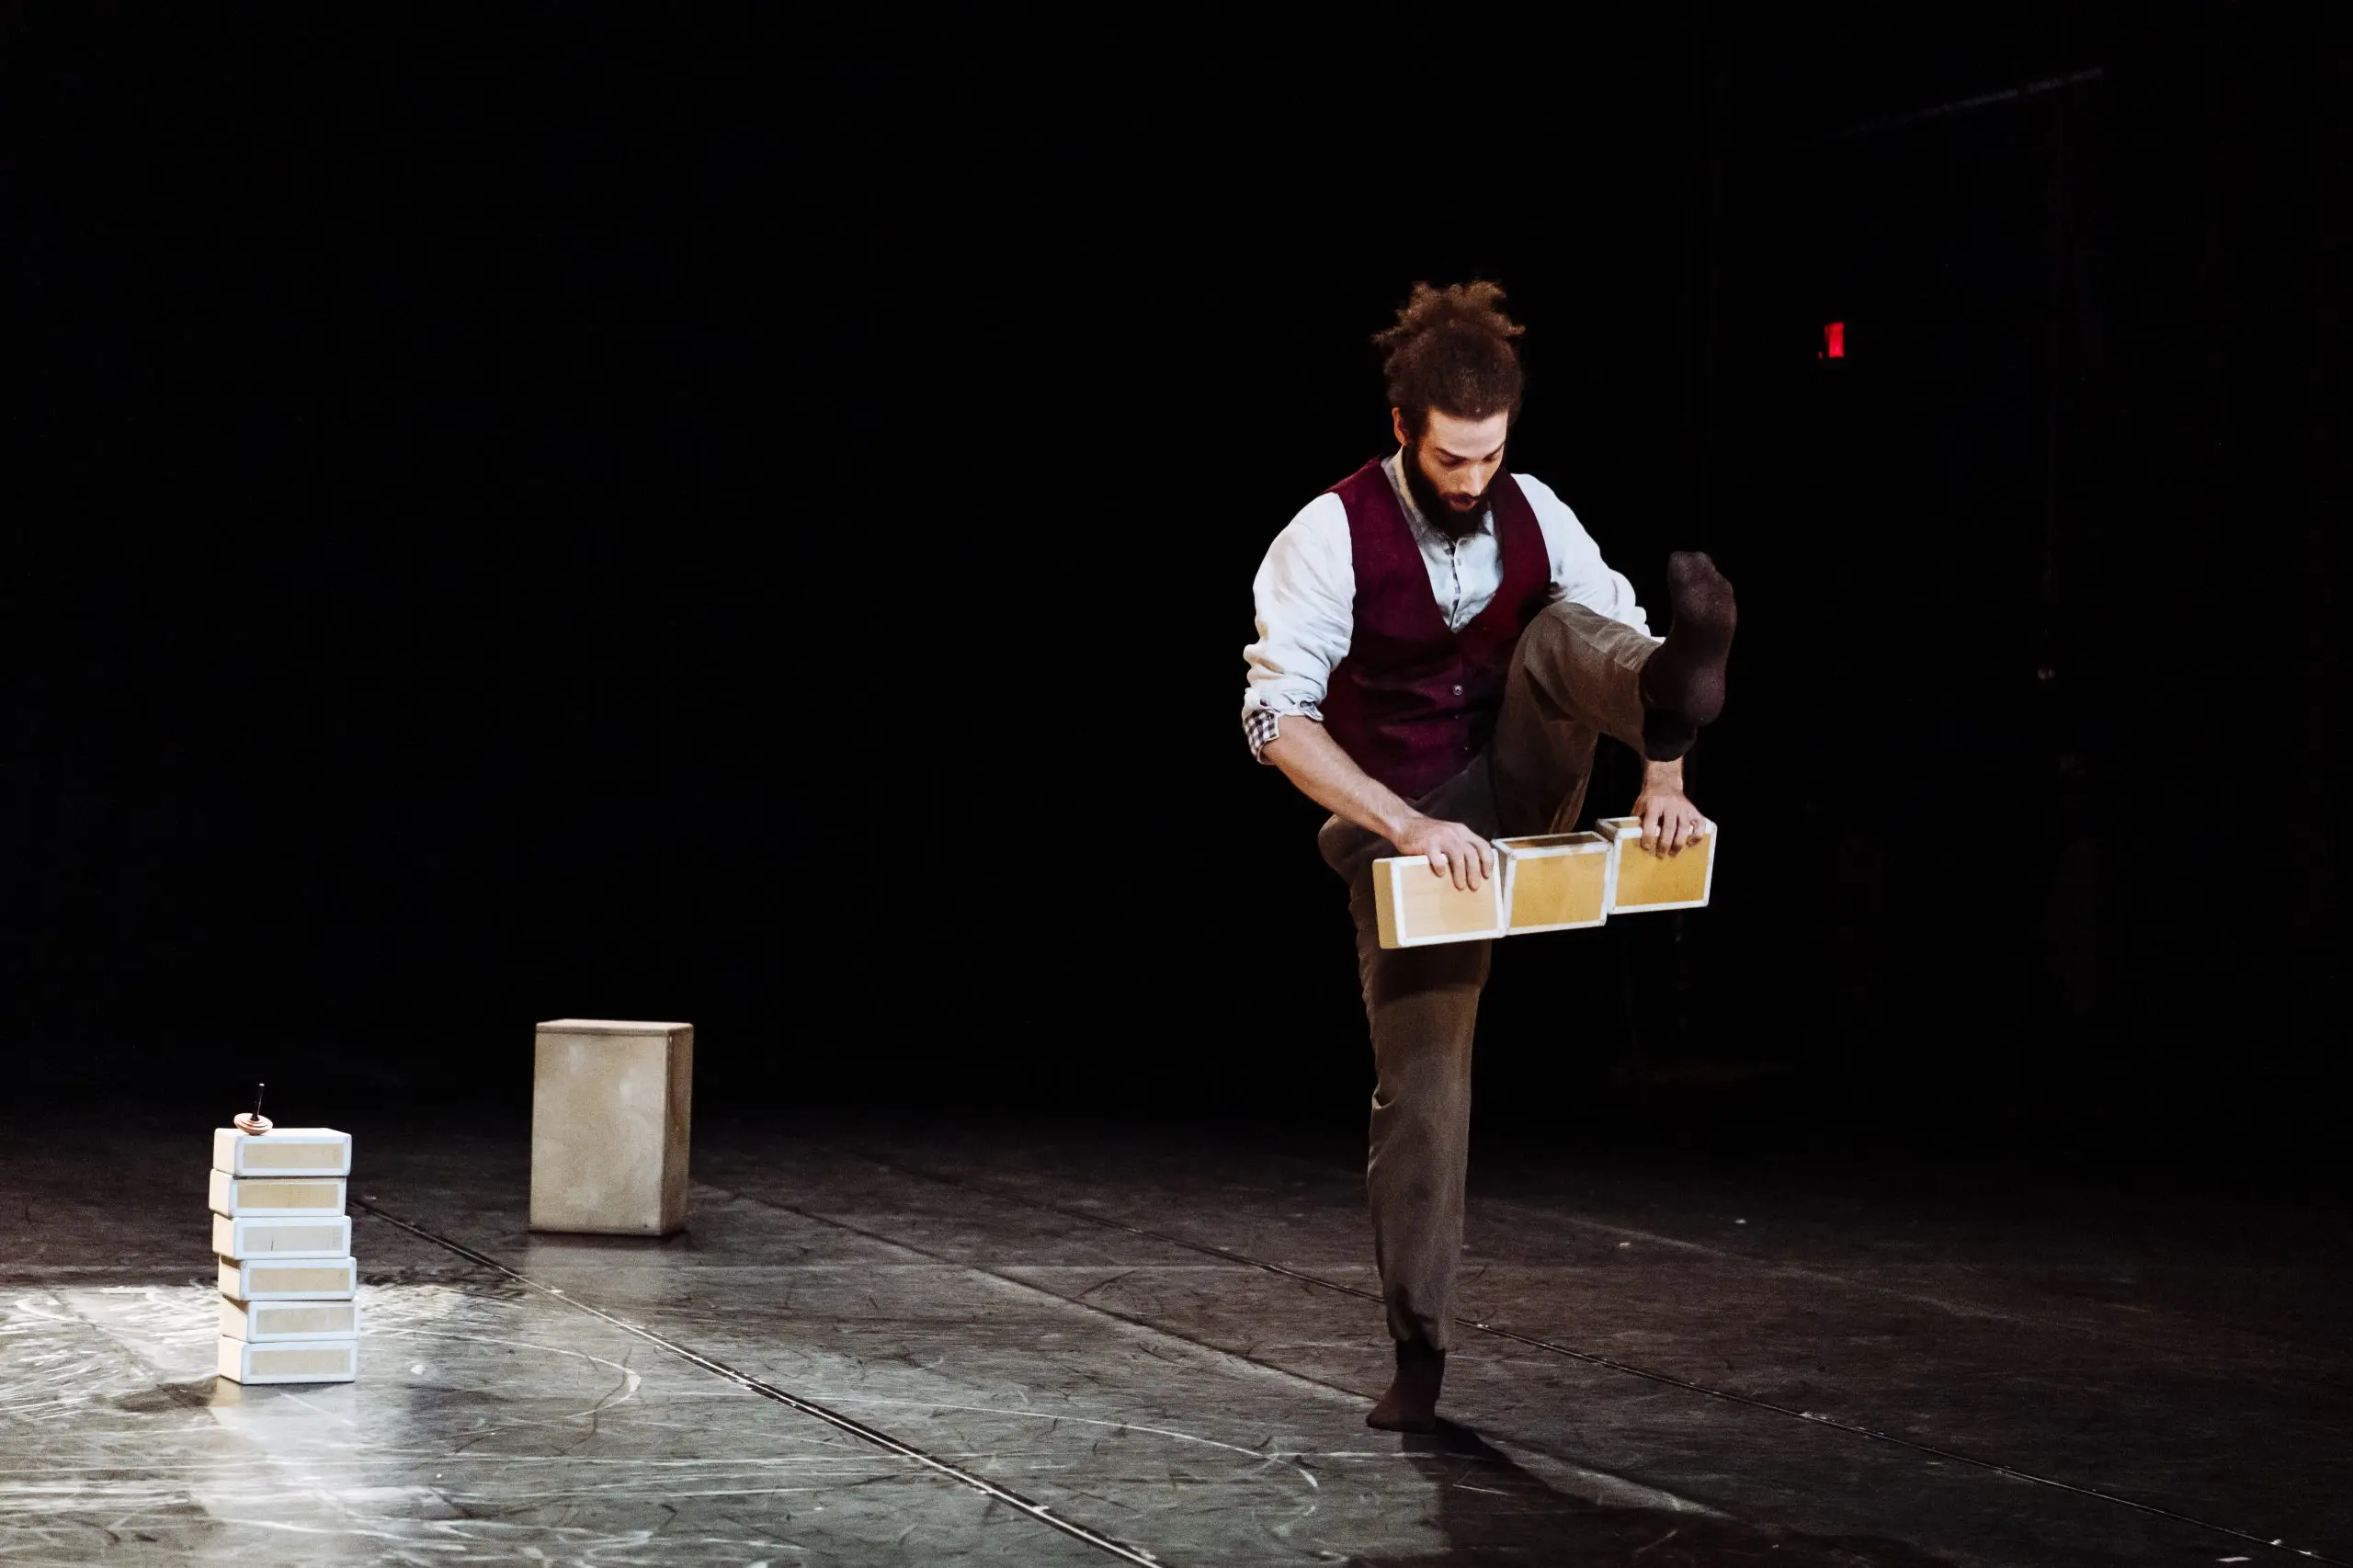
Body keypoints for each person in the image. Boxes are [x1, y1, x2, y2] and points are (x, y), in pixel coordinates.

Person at [1240, 280, 1736, 1432]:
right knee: (1422, 1089)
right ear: (1403, 428)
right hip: (1411, 834)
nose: (1473, 481)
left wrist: (1664, 778)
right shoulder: (1328, 533)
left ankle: (1683, 687)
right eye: (1451, 460)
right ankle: (1419, 1349)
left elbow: (1606, 629)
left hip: (1524, 778)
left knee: (1566, 631)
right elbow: (1275, 722)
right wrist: (1407, 824)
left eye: (1491, 455)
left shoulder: (1535, 509)